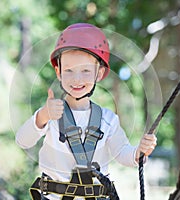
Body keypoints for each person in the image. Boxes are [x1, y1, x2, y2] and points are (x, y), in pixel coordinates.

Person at [15, 23, 157, 200]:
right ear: (58, 72)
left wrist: (139, 152)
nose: (77, 78)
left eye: (86, 71)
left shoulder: (108, 120)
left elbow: (122, 153)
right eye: (69, 70)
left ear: (99, 73)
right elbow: (22, 140)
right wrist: (43, 115)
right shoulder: (50, 115)